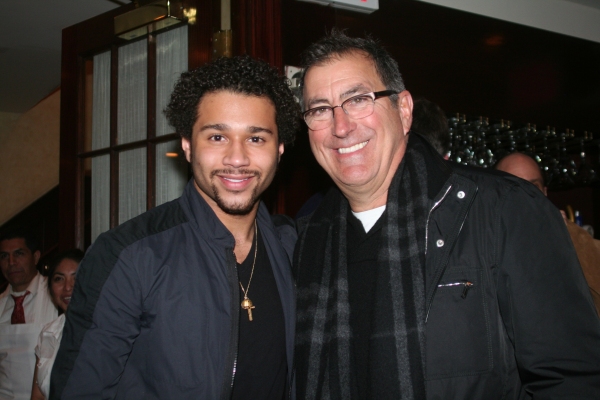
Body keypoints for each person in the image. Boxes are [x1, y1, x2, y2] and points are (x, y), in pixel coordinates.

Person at [294, 31, 600, 399]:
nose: (340, 126)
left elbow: (571, 379)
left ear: (403, 110)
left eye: (358, 99)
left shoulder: (503, 209)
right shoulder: (303, 241)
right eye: (319, 109)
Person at [50, 55, 300, 400]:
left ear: (280, 148)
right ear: (186, 145)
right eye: (217, 137)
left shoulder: (292, 244)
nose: (237, 158)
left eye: (256, 139)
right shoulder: (128, 255)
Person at [496, 152, 600, 316]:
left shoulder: (573, 237)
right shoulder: (481, 240)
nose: (526, 196)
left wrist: (563, 239)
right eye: (514, 187)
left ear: (544, 193)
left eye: (533, 186)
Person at [0, 231, 58, 400]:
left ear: (36, 256)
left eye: (19, 254)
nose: (11, 263)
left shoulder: (56, 294)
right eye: (4, 256)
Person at [31, 249, 83, 400]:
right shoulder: (48, 333)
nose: (68, 287)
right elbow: (38, 395)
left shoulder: (108, 330)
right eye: (59, 279)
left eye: (77, 277)